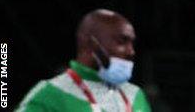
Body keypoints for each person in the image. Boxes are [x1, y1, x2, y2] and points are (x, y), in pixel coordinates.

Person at [16, 9, 151, 111]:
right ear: (92, 44)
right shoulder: (50, 94)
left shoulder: (135, 94)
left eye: (132, 43)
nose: (131, 51)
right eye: (122, 41)